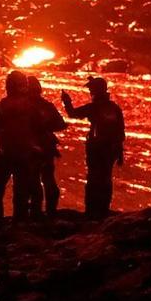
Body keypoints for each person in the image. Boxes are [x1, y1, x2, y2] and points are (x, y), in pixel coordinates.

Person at [61, 76, 125, 219]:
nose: (90, 92)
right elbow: (121, 131)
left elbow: (73, 113)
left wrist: (66, 101)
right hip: (111, 150)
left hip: (96, 149)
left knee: (93, 179)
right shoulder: (114, 108)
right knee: (106, 178)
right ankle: (104, 209)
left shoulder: (94, 108)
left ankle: (91, 210)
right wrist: (120, 153)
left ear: (96, 91)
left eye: (91, 90)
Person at [0, 71, 38, 224]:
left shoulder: (1, 106)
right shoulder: (31, 106)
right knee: (21, 190)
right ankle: (20, 221)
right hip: (24, 152)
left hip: (5, 152)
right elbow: (40, 127)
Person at [27, 76, 67, 218]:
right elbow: (61, 124)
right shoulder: (47, 106)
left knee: (33, 180)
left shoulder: (24, 107)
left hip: (31, 148)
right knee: (48, 179)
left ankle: (35, 212)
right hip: (47, 147)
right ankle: (50, 211)